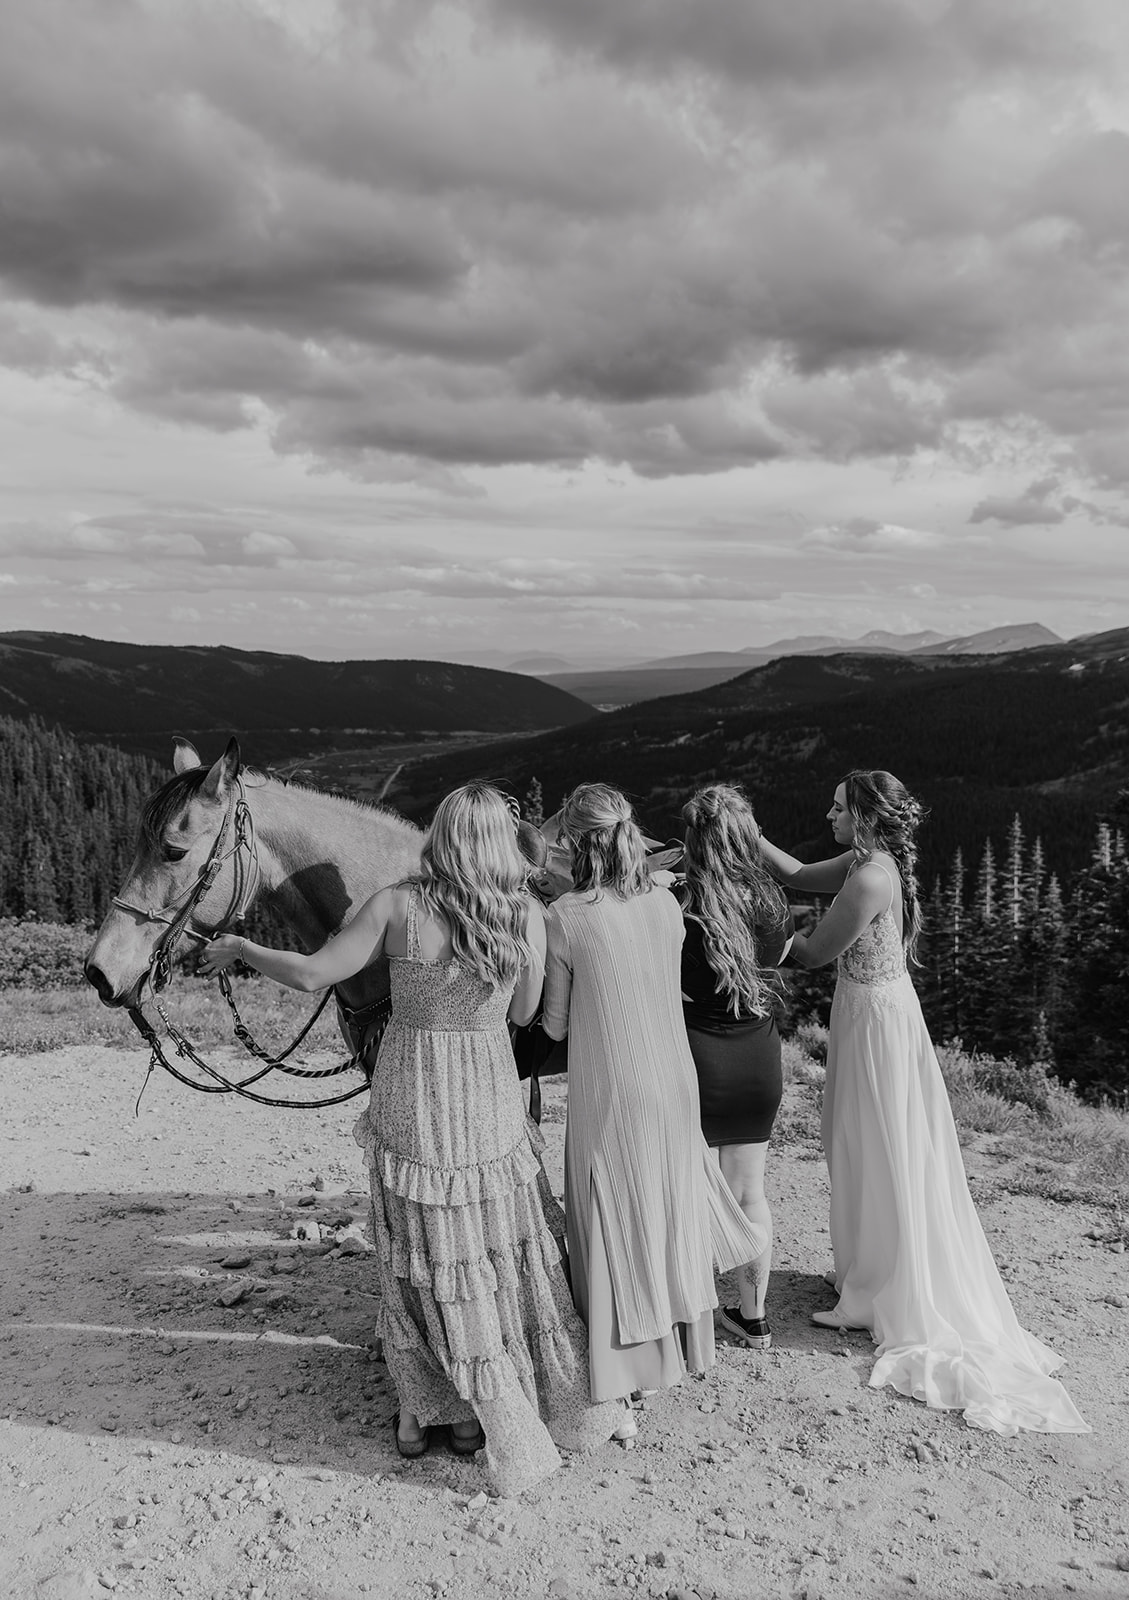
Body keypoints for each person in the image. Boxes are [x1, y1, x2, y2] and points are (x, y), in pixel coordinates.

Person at [202, 782, 620, 1494]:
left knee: (418, 1248)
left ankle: (424, 1409)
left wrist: (242, 946)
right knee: (488, 1241)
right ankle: (485, 1404)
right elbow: (524, 1011)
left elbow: (310, 975)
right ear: (500, 844)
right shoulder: (524, 914)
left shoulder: (399, 905)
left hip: (413, 1088)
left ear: (442, 836)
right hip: (485, 1088)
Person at [757, 770, 1089, 1436]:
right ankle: (868, 1271)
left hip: (876, 1024)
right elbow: (793, 870)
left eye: (838, 807)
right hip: (864, 1015)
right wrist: (748, 838)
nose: (828, 813)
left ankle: (890, 1283)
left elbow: (818, 952)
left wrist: (737, 935)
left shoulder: (872, 877)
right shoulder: (862, 861)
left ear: (867, 817)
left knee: (882, 1144)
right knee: (853, 1140)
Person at [541, 783, 766, 1414]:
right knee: (667, 1205)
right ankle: (678, 1347)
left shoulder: (566, 918)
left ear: (576, 845)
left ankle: (625, 1367)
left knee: (611, 1207)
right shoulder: (667, 904)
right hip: (674, 1076)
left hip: (612, 1084)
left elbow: (555, 1026)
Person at [679, 785, 794, 1352]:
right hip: (758, 1056)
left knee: (690, 1190)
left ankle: (694, 1313)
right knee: (751, 1192)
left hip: (696, 1056)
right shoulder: (772, 903)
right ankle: (754, 1317)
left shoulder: (682, 907)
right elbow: (780, 956)